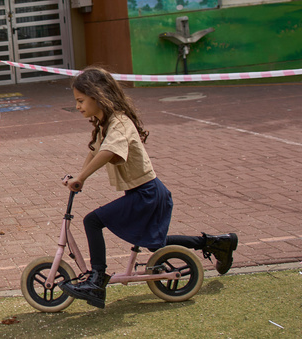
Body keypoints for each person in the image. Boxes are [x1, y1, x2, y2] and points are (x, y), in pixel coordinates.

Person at [59, 66, 238, 308]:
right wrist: (79, 176)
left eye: (81, 100)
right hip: (145, 192)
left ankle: (97, 279)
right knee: (155, 244)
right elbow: (94, 151)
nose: (78, 106)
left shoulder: (119, 122)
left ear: (98, 95)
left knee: (92, 220)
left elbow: (108, 152)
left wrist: (82, 179)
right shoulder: (106, 122)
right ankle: (216, 243)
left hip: (147, 193)